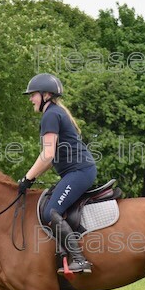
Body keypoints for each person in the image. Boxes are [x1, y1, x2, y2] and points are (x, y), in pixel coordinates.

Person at [18, 73, 97, 274]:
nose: (30, 99)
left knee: (50, 212)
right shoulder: (54, 113)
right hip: (78, 171)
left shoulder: (51, 115)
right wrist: (30, 178)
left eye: (33, 95)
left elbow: (47, 154)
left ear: (45, 95)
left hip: (80, 171)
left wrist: (27, 179)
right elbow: (49, 158)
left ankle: (79, 259)